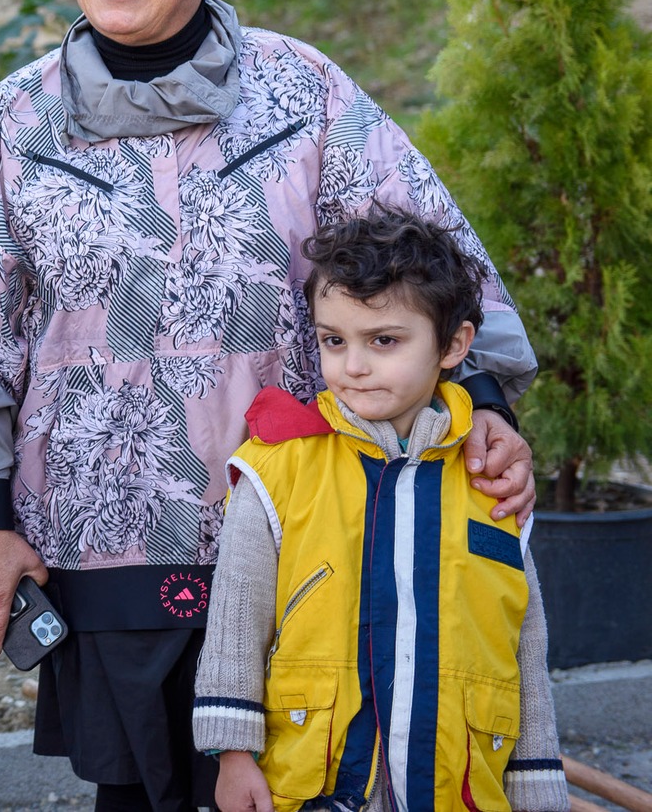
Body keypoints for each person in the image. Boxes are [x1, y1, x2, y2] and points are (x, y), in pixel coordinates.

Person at [0, 0, 540, 812]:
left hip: (304, 520)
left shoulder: (301, 93)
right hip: (101, 536)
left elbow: (428, 257)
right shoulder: (16, 122)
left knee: (303, 781)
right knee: (140, 793)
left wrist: (480, 398)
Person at [195, 207, 569, 812]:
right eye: (333, 340)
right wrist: (232, 753)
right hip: (316, 784)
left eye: (384, 341)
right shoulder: (276, 467)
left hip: (459, 787)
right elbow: (236, 621)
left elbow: (525, 640)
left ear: (453, 345)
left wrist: (539, 787)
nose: (353, 366)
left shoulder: (492, 481)